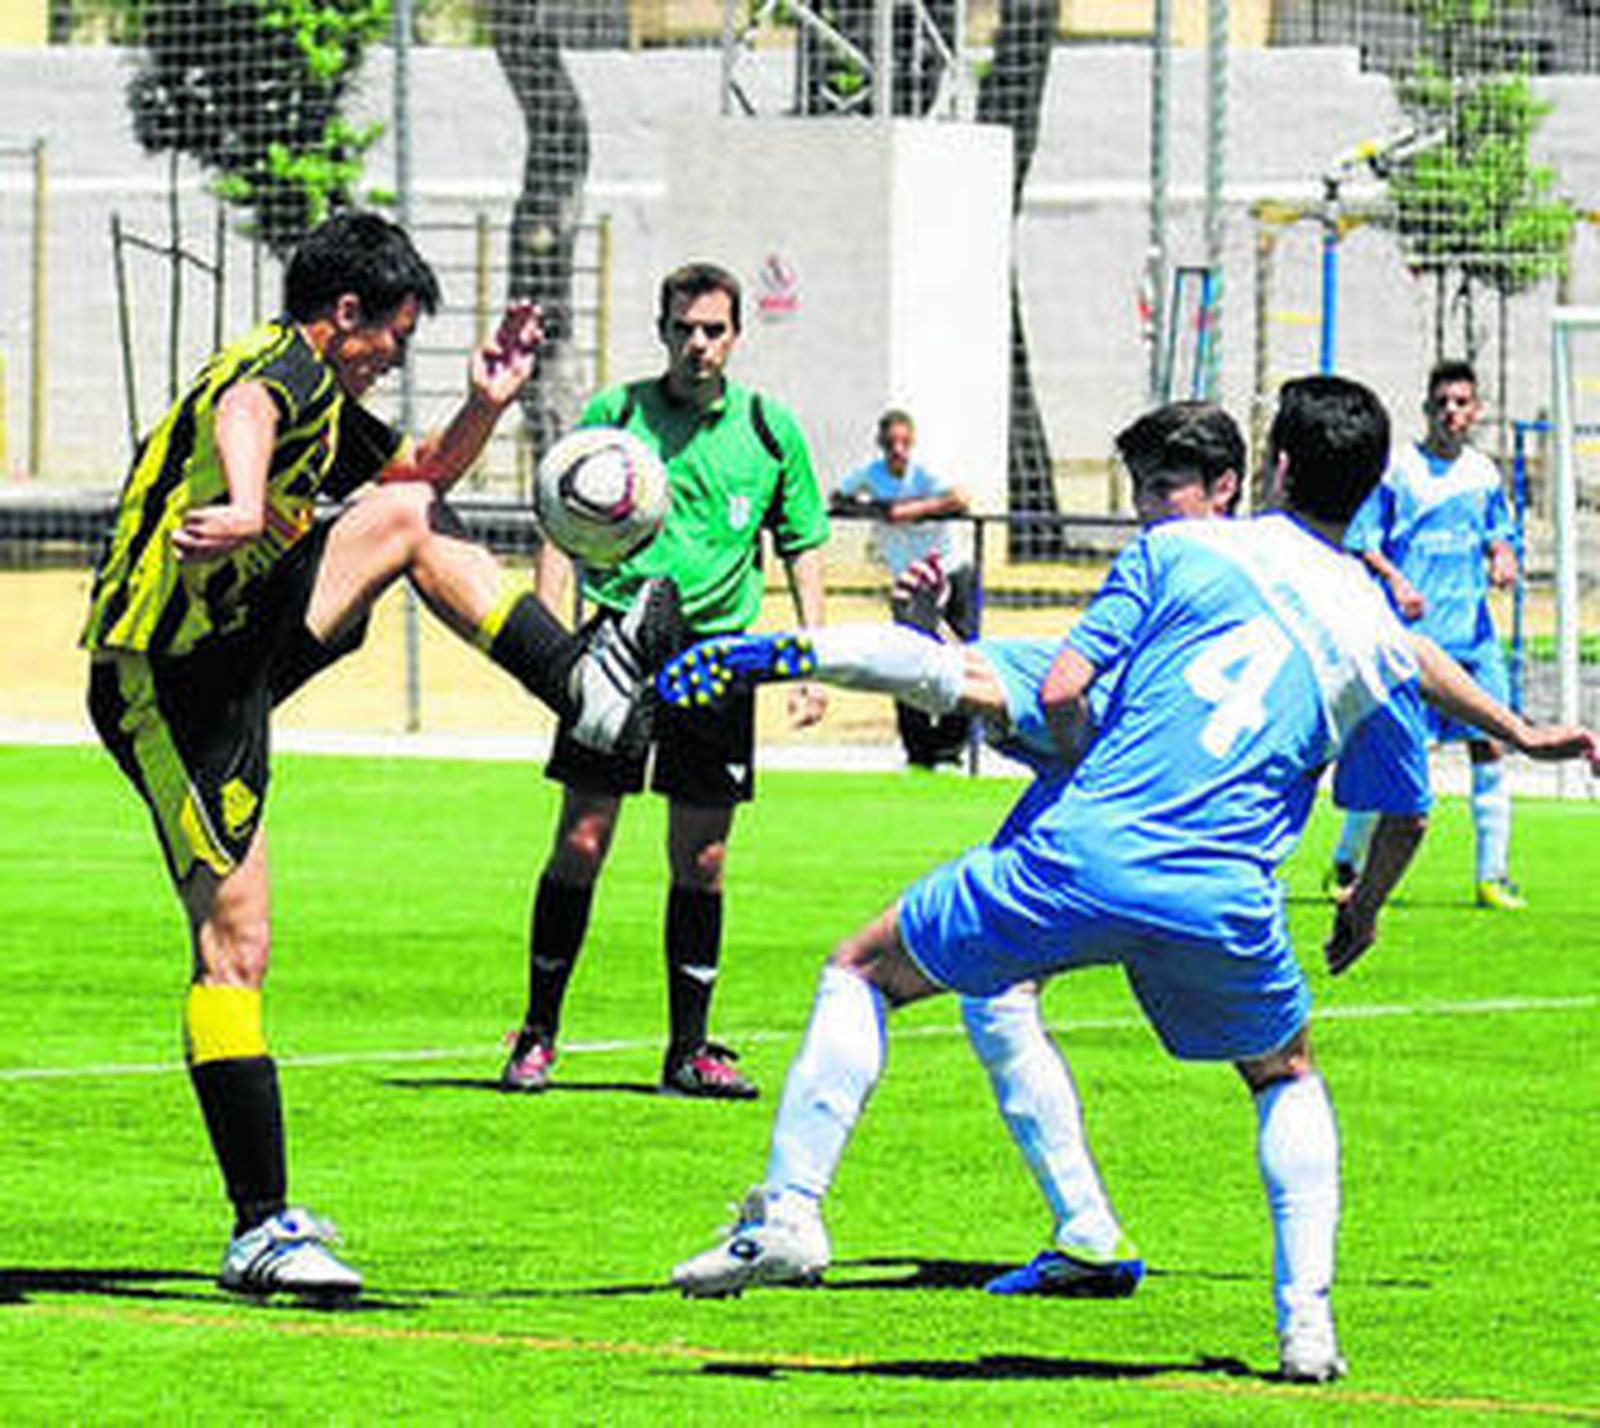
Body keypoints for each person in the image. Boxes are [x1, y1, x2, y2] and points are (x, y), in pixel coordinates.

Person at [661, 393, 1600, 1322]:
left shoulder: (1181, 561)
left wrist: (783, 654)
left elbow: (1000, 684)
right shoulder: (1363, 624)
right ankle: (1241, 1295)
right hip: (1221, 898)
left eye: (1166, 487)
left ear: (1255, 478)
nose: (1147, 508)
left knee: (867, 967)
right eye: (1140, 489)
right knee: (1260, 1067)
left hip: (1085, 857)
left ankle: (793, 1211)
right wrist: (1506, 736)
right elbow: (1409, 723)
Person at [81, 210, 680, 1301]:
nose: (394, 356)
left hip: (244, 634)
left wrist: (485, 403)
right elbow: (243, 407)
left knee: (405, 507)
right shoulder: (278, 368)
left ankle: (584, 688)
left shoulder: (331, 396)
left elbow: (423, 473)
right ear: (343, 314)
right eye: (394, 338)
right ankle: (260, 1228)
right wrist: (253, 501)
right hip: (167, 682)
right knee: (236, 947)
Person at [500, 261, 830, 1100]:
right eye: (683, 328)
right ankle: (537, 1033)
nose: (697, 344)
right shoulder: (617, 417)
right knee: (582, 839)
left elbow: (802, 541)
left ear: (735, 336)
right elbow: (558, 514)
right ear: (662, 331)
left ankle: (688, 1052)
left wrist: (810, 655)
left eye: (713, 329)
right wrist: (551, 639)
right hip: (615, 641)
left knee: (704, 856)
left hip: (716, 656)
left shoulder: (767, 428)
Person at [1332, 359, 1524, 909]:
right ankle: (1348, 859)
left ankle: (1493, 875)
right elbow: (1362, 538)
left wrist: (1503, 555)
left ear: (1477, 410)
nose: (1451, 413)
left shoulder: (1484, 474)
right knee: (1399, 754)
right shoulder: (1399, 471)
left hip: (1473, 640)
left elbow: (1499, 533)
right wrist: (1395, 580)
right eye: (1442, 403)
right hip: (1412, 641)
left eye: (1462, 402)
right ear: (1426, 410)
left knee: (1490, 746)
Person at [832, 408, 974, 767]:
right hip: (908, 581)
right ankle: (918, 750)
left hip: (948, 571)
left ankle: (950, 748)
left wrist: (907, 512)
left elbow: (961, 497)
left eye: (904, 442)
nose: (898, 450)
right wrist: (875, 509)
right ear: (881, 444)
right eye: (891, 443)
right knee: (906, 658)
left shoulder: (925, 473)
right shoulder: (871, 474)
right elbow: (838, 498)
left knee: (960, 657)